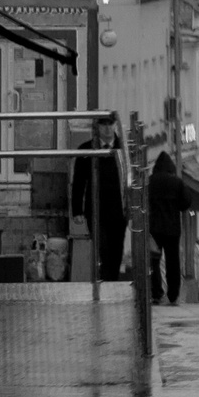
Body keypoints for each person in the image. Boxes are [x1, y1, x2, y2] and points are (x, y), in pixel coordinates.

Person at [69, 118, 127, 282]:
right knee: (102, 249)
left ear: (115, 125)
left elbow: (131, 178)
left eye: (111, 124)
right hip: (96, 209)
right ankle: (106, 283)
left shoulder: (123, 149)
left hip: (119, 209)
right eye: (104, 125)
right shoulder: (87, 150)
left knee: (116, 250)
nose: (108, 129)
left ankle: (112, 281)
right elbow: (79, 181)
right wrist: (77, 210)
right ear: (97, 127)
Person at [146, 152, 188, 305]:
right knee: (172, 262)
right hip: (172, 229)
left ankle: (156, 292)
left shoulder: (150, 182)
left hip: (154, 228)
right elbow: (185, 203)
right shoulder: (177, 183)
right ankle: (173, 294)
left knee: (153, 261)